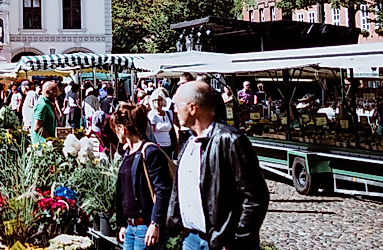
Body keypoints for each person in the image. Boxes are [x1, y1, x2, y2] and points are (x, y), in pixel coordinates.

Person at [167, 81, 269, 250]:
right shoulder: (190, 141)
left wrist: (236, 239)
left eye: (177, 105)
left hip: (221, 242)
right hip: (191, 238)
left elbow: (255, 197)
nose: (175, 110)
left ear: (192, 108)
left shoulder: (230, 140)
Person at [112, 102, 172, 250]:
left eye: (115, 129)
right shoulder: (128, 153)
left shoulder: (150, 152)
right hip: (130, 227)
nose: (115, 133)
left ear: (123, 128)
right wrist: (123, 224)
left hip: (146, 226)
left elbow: (163, 190)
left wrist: (155, 223)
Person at [147, 90, 178, 159]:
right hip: (158, 146)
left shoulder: (168, 114)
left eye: (159, 100)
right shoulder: (152, 115)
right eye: (155, 100)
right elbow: (151, 133)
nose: (157, 102)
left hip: (168, 145)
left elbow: (172, 129)